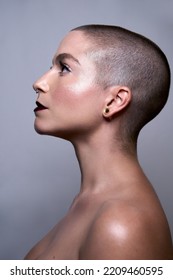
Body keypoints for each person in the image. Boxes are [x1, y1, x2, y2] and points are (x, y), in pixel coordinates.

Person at [25, 24, 173, 260]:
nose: (39, 83)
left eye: (64, 68)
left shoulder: (122, 224)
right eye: (51, 66)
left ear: (114, 101)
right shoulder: (87, 202)